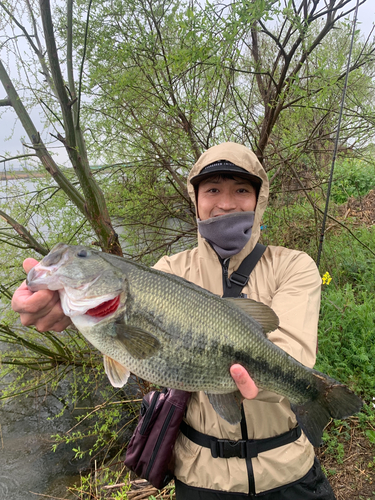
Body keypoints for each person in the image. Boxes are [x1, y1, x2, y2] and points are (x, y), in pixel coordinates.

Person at [12, 142, 335, 499]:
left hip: (289, 473)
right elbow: (137, 344)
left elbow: (295, 355)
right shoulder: (167, 271)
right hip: (201, 480)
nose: (226, 203)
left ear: (260, 199)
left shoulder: (294, 265)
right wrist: (68, 313)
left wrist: (283, 384)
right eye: (212, 190)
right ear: (195, 199)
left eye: (241, 190)